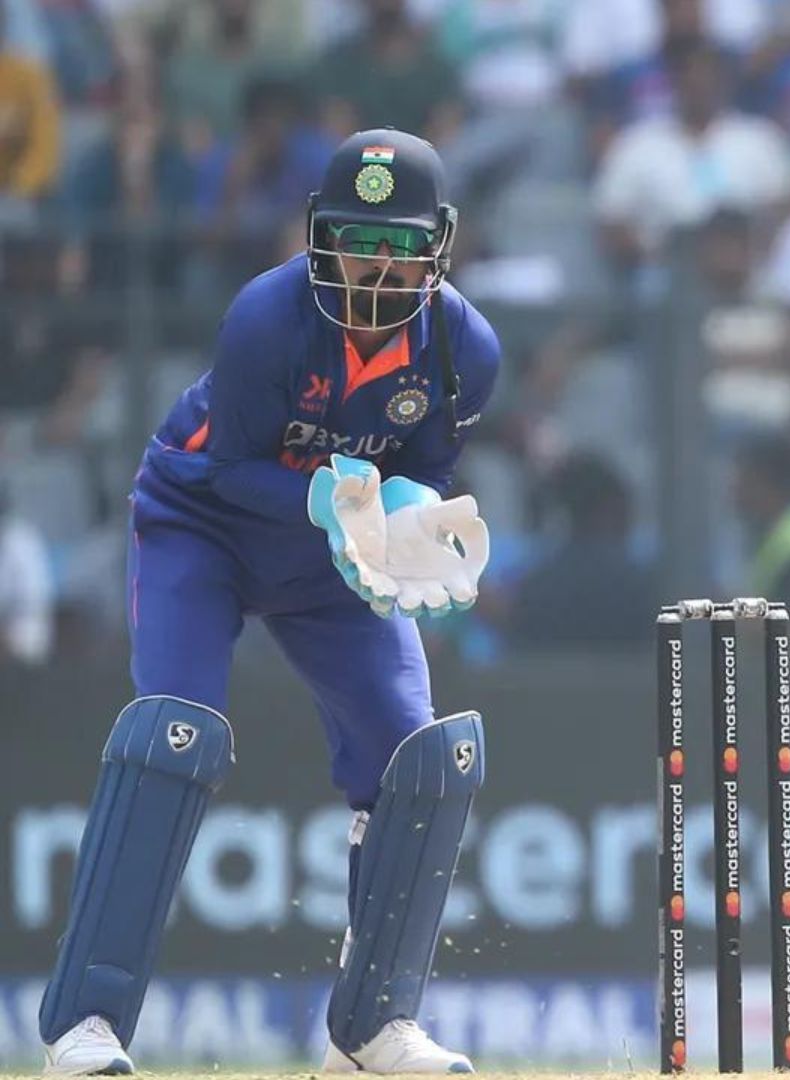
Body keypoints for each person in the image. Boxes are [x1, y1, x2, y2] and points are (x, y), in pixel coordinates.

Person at [39, 129, 500, 1076]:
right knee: (174, 735)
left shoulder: (463, 347)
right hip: (203, 528)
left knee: (417, 761)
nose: (375, 265)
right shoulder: (267, 316)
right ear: (319, 236)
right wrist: (329, 499)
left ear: (438, 246)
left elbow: (418, 472)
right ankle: (86, 1027)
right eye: (353, 239)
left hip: (333, 562)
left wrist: (404, 523)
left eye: (400, 244)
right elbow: (228, 469)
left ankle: (374, 1030)